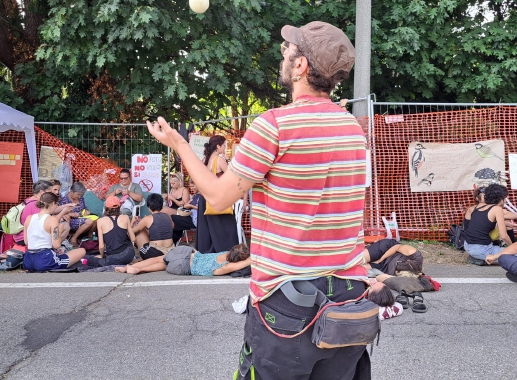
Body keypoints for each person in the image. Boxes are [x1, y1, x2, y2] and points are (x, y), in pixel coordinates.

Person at [147, 21, 369, 379]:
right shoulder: (352, 129)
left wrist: (180, 145)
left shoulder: (274, 125)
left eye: (290, 48)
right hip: (350, 296)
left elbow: (218, 196)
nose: (283, 51)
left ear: (301, 67)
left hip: (289, 299)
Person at [194, 135, 238, 253]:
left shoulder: (204, 160)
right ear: (218, 146)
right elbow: (232, 177)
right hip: (217, 199)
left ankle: (207, 254)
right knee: (227, 227)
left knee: (206, 230)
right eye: (224, 145)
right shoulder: (219, 160)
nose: (225, 148)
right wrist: (229, 160)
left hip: (204, 199)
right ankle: (226, 252)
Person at [23, 192, 86, 271]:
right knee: (82, 251)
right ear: (53, 204)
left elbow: (26, 242)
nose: (57, 207)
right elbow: (56, 245)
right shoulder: (53, 220)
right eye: (57, 205)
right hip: (45, 259)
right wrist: (59, 231)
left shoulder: (29, 218)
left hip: (28, 260)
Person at [115, 243, 251, 275]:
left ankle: (130, 266)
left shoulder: (226, 252)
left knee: (159, 259)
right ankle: (139, 270)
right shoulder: (226, 266)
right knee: (163, 265)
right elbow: (249, 261)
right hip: (183, 266)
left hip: (187, 251)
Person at [463, 184, 513, 265]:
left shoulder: (476, 207)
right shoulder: (497, 209)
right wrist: (514, 248)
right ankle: (482, 257)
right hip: (482, 249)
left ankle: (477, 257)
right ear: (501, 198)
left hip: (467, 245)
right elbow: (504, 236)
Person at [88, 196, 136, 267]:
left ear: (106, 208)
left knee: (89, 260)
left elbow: (101, 246)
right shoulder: (125, 217)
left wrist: (102, 256)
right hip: (128, 255)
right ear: (119, 207)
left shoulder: (100, 221)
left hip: (112, 257)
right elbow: (133, 239)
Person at [132, 193, 174, 260]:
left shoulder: (147, 219)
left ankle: (142, 258)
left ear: (149, 207)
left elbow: (131, 233)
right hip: (170, 251)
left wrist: (132, 223)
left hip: (155, 253)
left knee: (139, 232)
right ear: (162, 206)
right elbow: (172, 227)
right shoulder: (168, 216)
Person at [13, 180, 53, 246]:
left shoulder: (29, 200)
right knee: (62, 227)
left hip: (19, 236)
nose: (52, 194)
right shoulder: (37, 204)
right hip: (25, 238)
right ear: (42, 192)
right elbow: (42, 224)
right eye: (50, 192)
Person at [58, 182, 96, 246]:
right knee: (89, 222)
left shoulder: (81, 198)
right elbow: (60, 213)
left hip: (81, 217)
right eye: (77, 194)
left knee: (96, 220)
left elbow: (85, 207)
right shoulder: (64, 200)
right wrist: (71, 214)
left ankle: (90, 237)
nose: (79, 196)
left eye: (81, 195)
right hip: (71, 220)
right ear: (71, 191)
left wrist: (86, 211)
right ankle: (73, 239)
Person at [171, 178, 200, 243]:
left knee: (173, 219)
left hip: (196, 220)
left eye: (193, 186)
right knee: (173, 219)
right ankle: (173, 241)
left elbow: (202, 209)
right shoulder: (195, 196)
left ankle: (173, 242)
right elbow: (187, 205)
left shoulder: (202, 196)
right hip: (191, 216)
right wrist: (184, 205)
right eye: (190, 187)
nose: (191, 188)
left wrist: (190, 206)